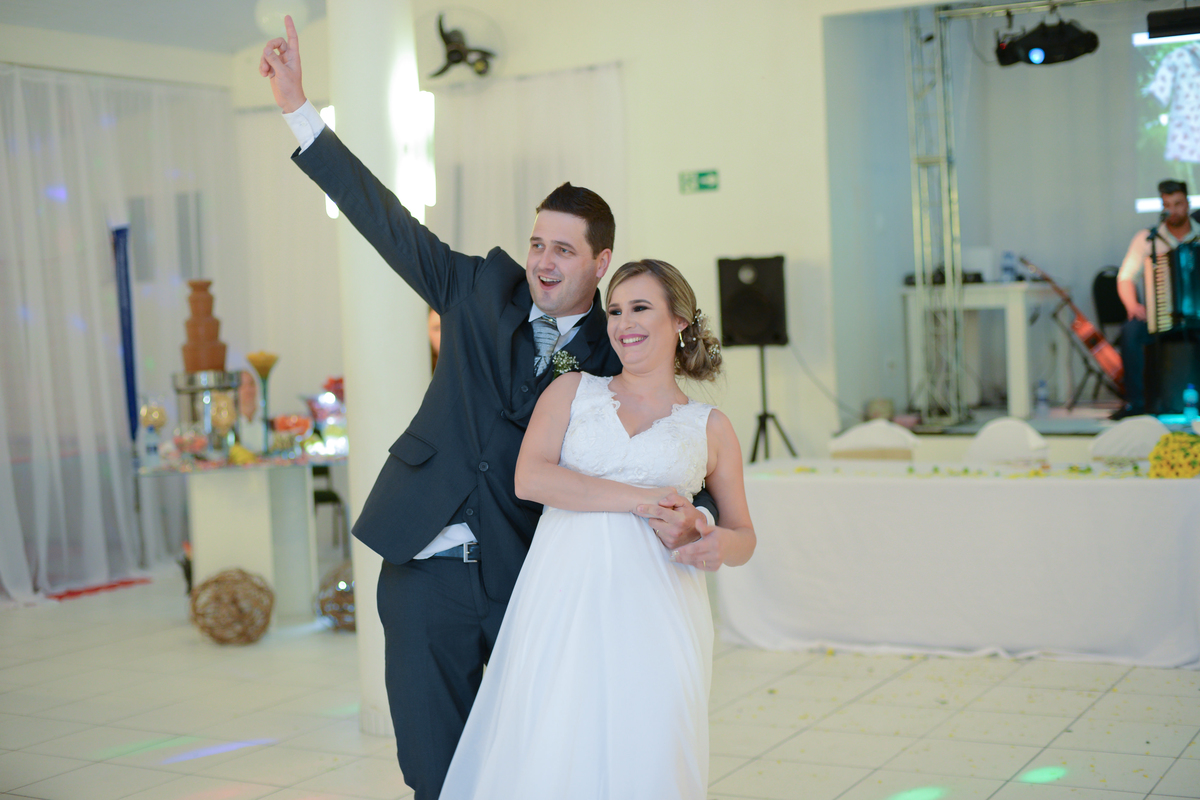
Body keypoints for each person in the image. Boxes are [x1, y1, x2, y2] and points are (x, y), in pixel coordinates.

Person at [259, 18, 717, 800]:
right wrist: (302, 110)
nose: (542, 261)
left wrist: (697, 515)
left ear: (600, 263)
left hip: (526, 577)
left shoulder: (615, 355)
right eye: (537, 243)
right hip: (422, 564)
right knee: (431, 768)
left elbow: (664, 442)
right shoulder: (473, 287)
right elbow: (384, 219)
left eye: (563, 250)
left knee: (525, 763)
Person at [439, 259, 756, 799]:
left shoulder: (711, 425)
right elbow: (531, 478)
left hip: (660, 606)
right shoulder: (572, 390)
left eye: (639, 308)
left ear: (679, 320)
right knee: (557, 737)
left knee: (652, 740)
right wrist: (643, 499)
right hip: (564, 597)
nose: (622, 323)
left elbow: (743, 536)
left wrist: (710, 541)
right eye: (614, 310)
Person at [1113, 179, 1199, 418]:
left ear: (1188, 203)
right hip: (1160, 315)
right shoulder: (1147, 240)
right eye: (1167, 205)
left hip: (1196, 316)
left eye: (1178, 203)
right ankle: (1137, 403)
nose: (1173, 210)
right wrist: (1133, 305)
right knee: (1131, 331)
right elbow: (1126, 277)